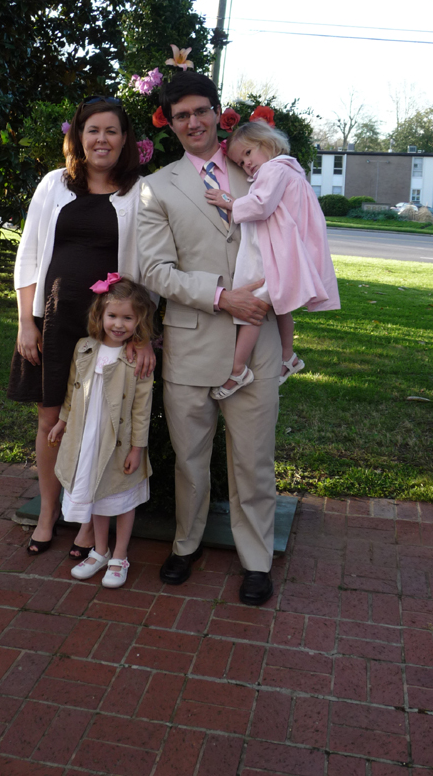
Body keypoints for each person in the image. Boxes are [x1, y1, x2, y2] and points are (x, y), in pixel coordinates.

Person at [137, 71, 282, 606]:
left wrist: (267, 294)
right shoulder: (157, 187)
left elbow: (291, 237)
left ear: (217, 113)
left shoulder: (259, 169)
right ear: (170, 124)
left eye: (201, 110)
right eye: (182, 115)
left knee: (252, 460)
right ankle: (186, 543)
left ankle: (256, 559)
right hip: (191, 342)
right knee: (191, 459)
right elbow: (155, 270)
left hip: (257, 339)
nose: (193, 122)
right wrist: (222, 297)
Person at [7, 96, 154, 556]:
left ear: (125, 139)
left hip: (109, 330)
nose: (101, 139)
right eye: (93, 130)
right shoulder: (54, 184)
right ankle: (50, 511)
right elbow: (28, 254)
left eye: (111, 131)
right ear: (78, 136)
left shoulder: (139, 193)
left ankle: (88, 520)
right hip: (54, 321)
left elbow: (148, 271)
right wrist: (26, 323)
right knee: (51, 418)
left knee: (99, 423)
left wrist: (143, 335)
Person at [205, 120, 340, 400]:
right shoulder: (291, 170)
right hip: (284, 247)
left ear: (266, 144)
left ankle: (238, 370)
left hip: (273, 250)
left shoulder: (274, 169)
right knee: (279, 306)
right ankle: (288, 356)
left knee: (252, 304)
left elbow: (261, 205)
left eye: (248, 153)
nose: (247, 164)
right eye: (240, 162)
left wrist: (229, 201)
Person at [48, 276, 155, 587]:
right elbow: (73, 389)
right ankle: (100, 550)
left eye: (128, 318)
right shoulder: (85, 348)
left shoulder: (136, 359)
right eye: (112, 315)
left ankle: (120, 555)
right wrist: (63, 421)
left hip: (118, 442)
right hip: (87, 438)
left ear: (139, 320)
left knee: (120, 496)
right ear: (100, 314)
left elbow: (142, 408)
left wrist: (137, 448)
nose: (118, 324)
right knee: (96, 494)